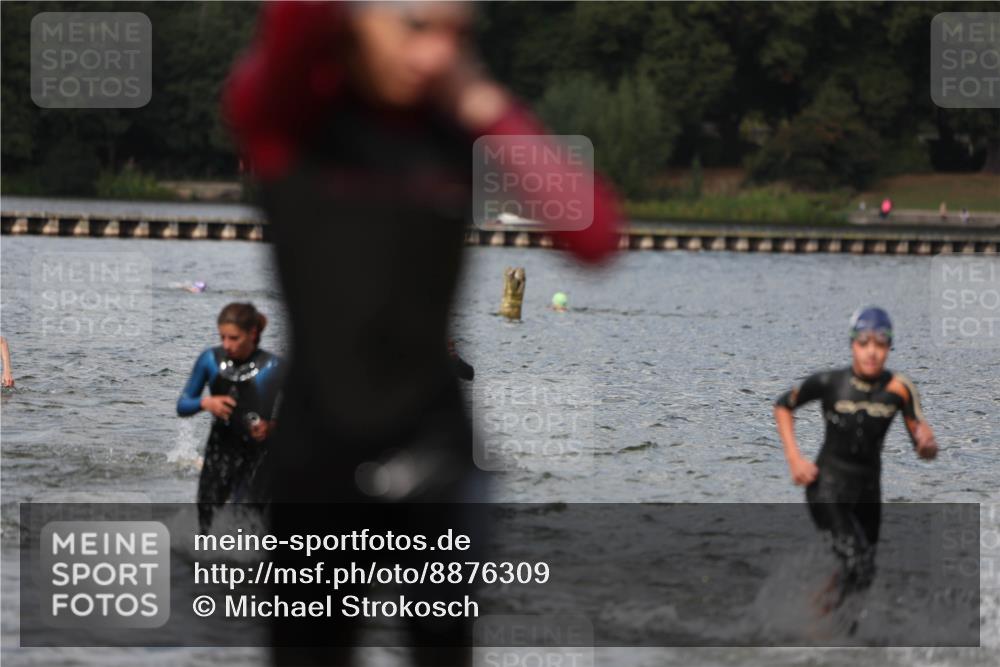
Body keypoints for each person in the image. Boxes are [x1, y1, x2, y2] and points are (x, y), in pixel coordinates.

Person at [223, 2, 620, 664]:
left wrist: (480, 98)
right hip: (318, 455)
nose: (437, 52)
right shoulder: (292, 118)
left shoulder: (454, 125)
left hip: (434, 449)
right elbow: (287, 25)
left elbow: (595, 235)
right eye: (416, 27)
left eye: (457, 34)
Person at [773, 306, 938, 609]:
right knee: (855, 561)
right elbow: (783, 406)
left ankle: (820, 618)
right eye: (864, 344)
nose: (871, 353)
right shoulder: (830, 382)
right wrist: (795, 459)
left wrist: (927, 446)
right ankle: (819, 628)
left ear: (889, 347)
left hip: (868, 493)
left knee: (864, 575)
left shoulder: (900, 388)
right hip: (827, 488)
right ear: (852, 345)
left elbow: (922, 437)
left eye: (880, 344)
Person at [177, 302, 283, 533]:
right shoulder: (209, 360)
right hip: (220, 448)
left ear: (252, 333)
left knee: (248, 517)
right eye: (222, 337)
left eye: (234, 338)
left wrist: (273, 426)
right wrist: (206, 402)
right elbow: (183, 405)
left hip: (258, 454)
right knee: (206, 517)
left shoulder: (274, 366)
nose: (227, 345)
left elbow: (302, 412)